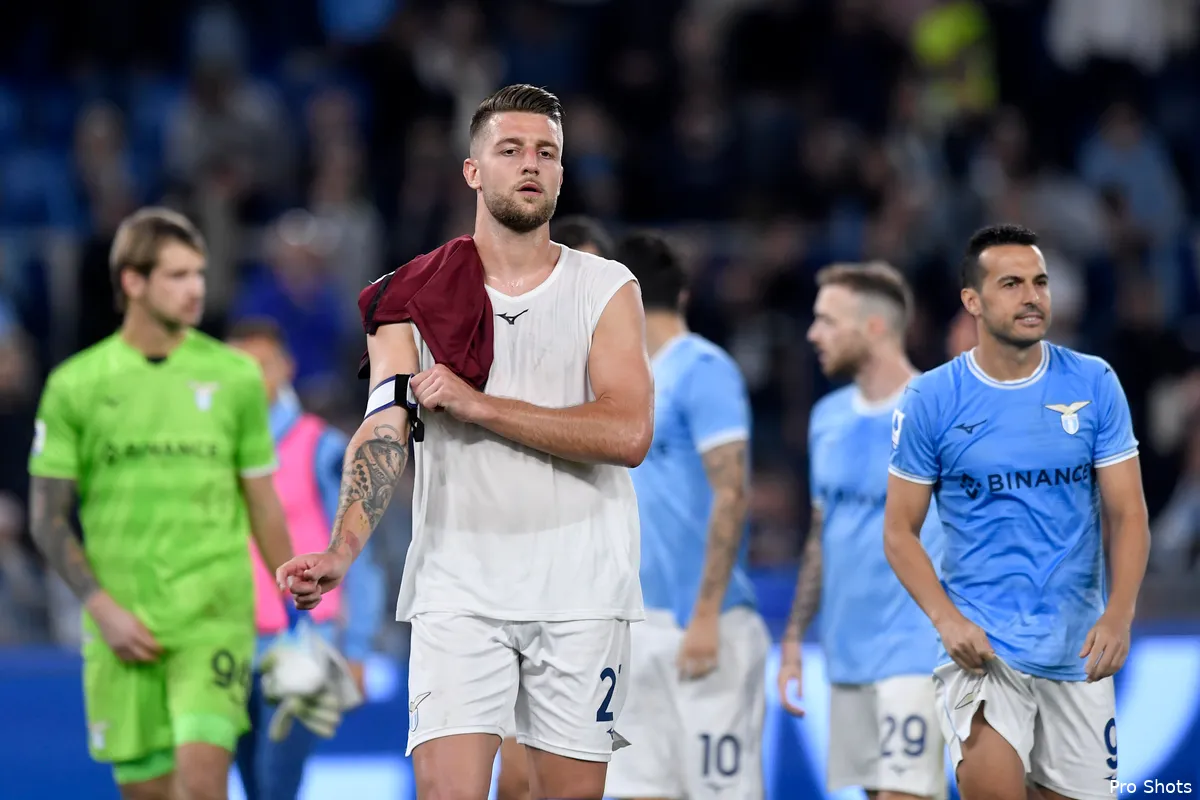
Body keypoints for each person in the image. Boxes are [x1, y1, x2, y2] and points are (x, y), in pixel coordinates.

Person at [276, 84, 653, 800]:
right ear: (473, 171)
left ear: (563, 174)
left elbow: (627, 432)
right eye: (509, 150)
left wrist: (480, 406)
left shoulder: (606, 288)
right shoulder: (411, 296)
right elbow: (385, 427)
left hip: (581, 588)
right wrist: (342, 549)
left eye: (546, 153)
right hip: (459, 586)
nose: (530, 165)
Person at [27, 207, 294, 800]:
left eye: (198, 273)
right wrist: (101, 608)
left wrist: (302, 615)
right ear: (132, 282)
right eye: (176, 275)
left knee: (202, 785)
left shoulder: (235, 378)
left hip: (213, 619)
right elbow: (46, 520)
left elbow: (263, 502)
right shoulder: (76, 385)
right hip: (123, 626)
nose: (195, 287)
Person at [885, 224, 1149, 800]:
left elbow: (1128, 515)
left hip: (1077, 651)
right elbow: (899, 532)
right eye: (1011, 284)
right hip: (984, 653)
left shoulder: (1095, 382)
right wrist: (947, 621)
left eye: (1040, 282)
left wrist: (1120, 615)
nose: (1032, 297)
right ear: (972, 301)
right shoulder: (932, 399)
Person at [602, 230, 769, 800]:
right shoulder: (623, 386)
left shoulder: (704, 369)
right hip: (636, 630)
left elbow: (732, 491)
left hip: (703, 627)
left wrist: (705, 614)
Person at [777, 262, 947, 800]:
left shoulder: (939, 412)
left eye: (827, 320)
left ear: (874, 327)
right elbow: (822, 533)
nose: (813, 334)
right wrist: (793, 637)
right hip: (847, 652)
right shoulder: (826, 417)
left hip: (920, 653)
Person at [227, 318, 386, 800]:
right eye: (241, 367)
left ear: (287, 368)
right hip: (230, 640)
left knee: (276, 784)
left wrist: (356, 647)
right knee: (254, 782)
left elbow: (361, 550)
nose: (254, 378)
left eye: (264, 365)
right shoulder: (214, 449)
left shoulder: (323, 447)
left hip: (303, 641)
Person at [496, 212, 614, 800]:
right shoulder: (503, 341)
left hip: (598, 593)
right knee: (516, 779)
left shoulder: (628, 369)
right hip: (509, 583)